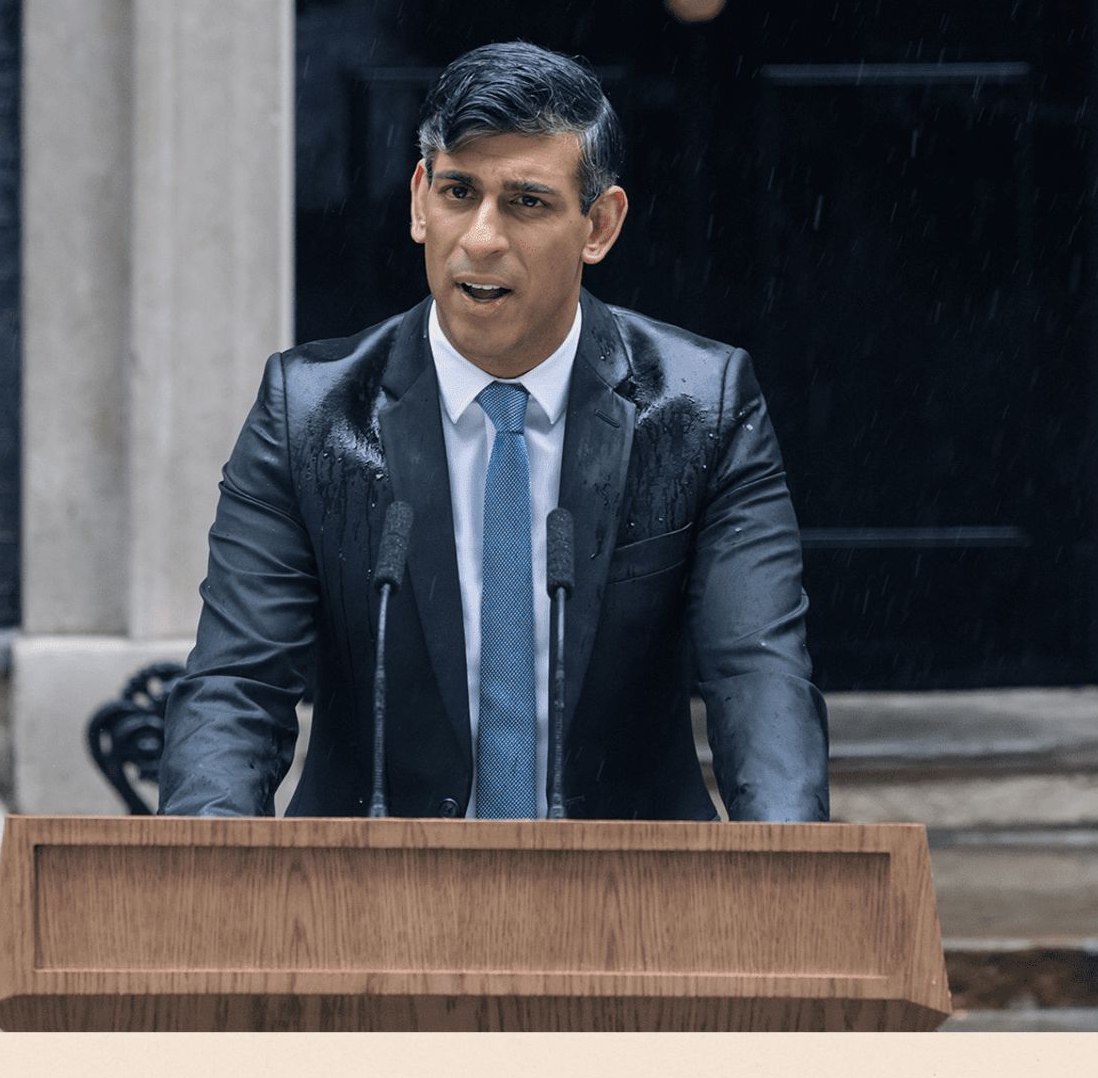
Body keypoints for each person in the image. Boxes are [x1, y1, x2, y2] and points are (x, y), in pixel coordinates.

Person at [158, 40, 829, 821]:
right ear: (419, 200)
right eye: (458, 192)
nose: (480, 237)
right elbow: (238, 683)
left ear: (600, 225)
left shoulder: (702, 407)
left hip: (629, 906)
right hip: (365, 905)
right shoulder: (309, 413)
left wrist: (790, 884)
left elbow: (760, 677)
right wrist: (208, 876)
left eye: (527, 202)